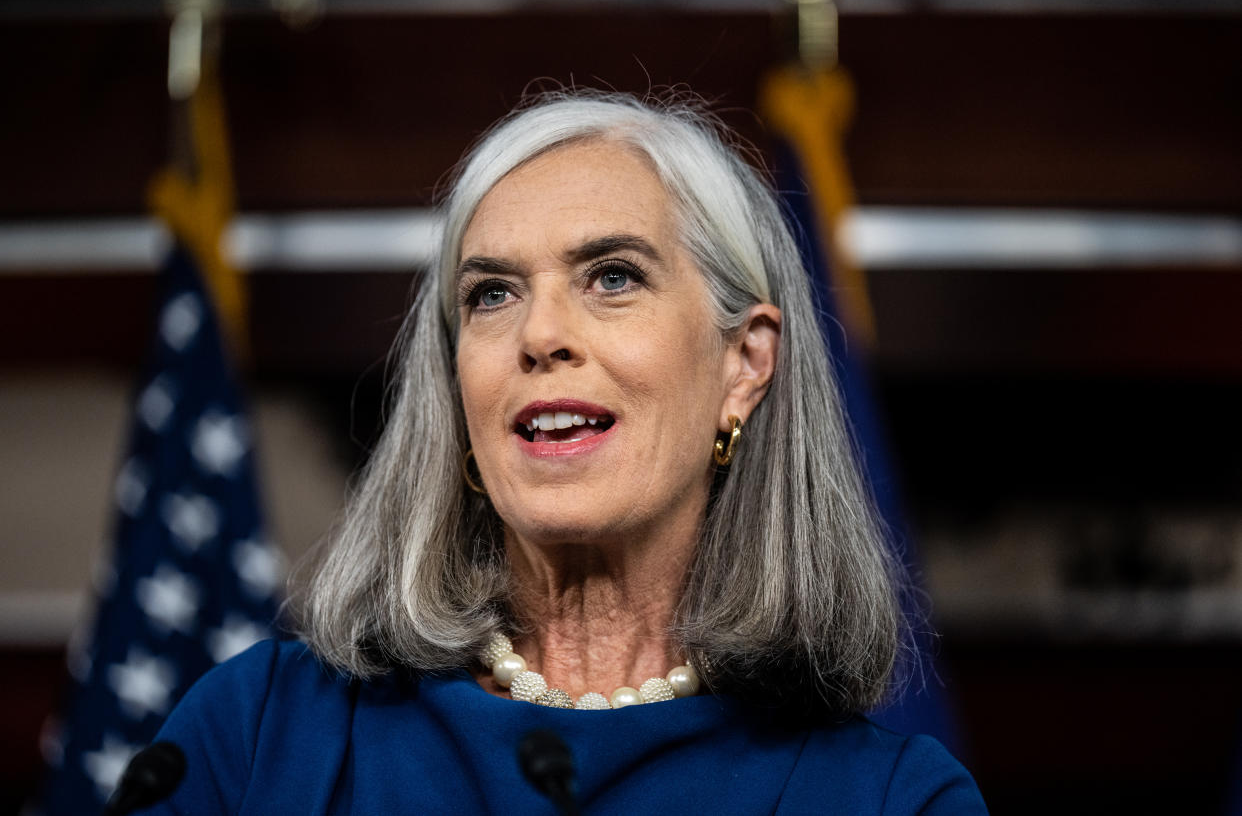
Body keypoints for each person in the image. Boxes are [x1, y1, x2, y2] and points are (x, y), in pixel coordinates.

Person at [145, 90, 987, 814]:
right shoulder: (256, 735)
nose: (540, 334)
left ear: (745, 363)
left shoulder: (891, 798)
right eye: (493, 294)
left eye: (612, 276)